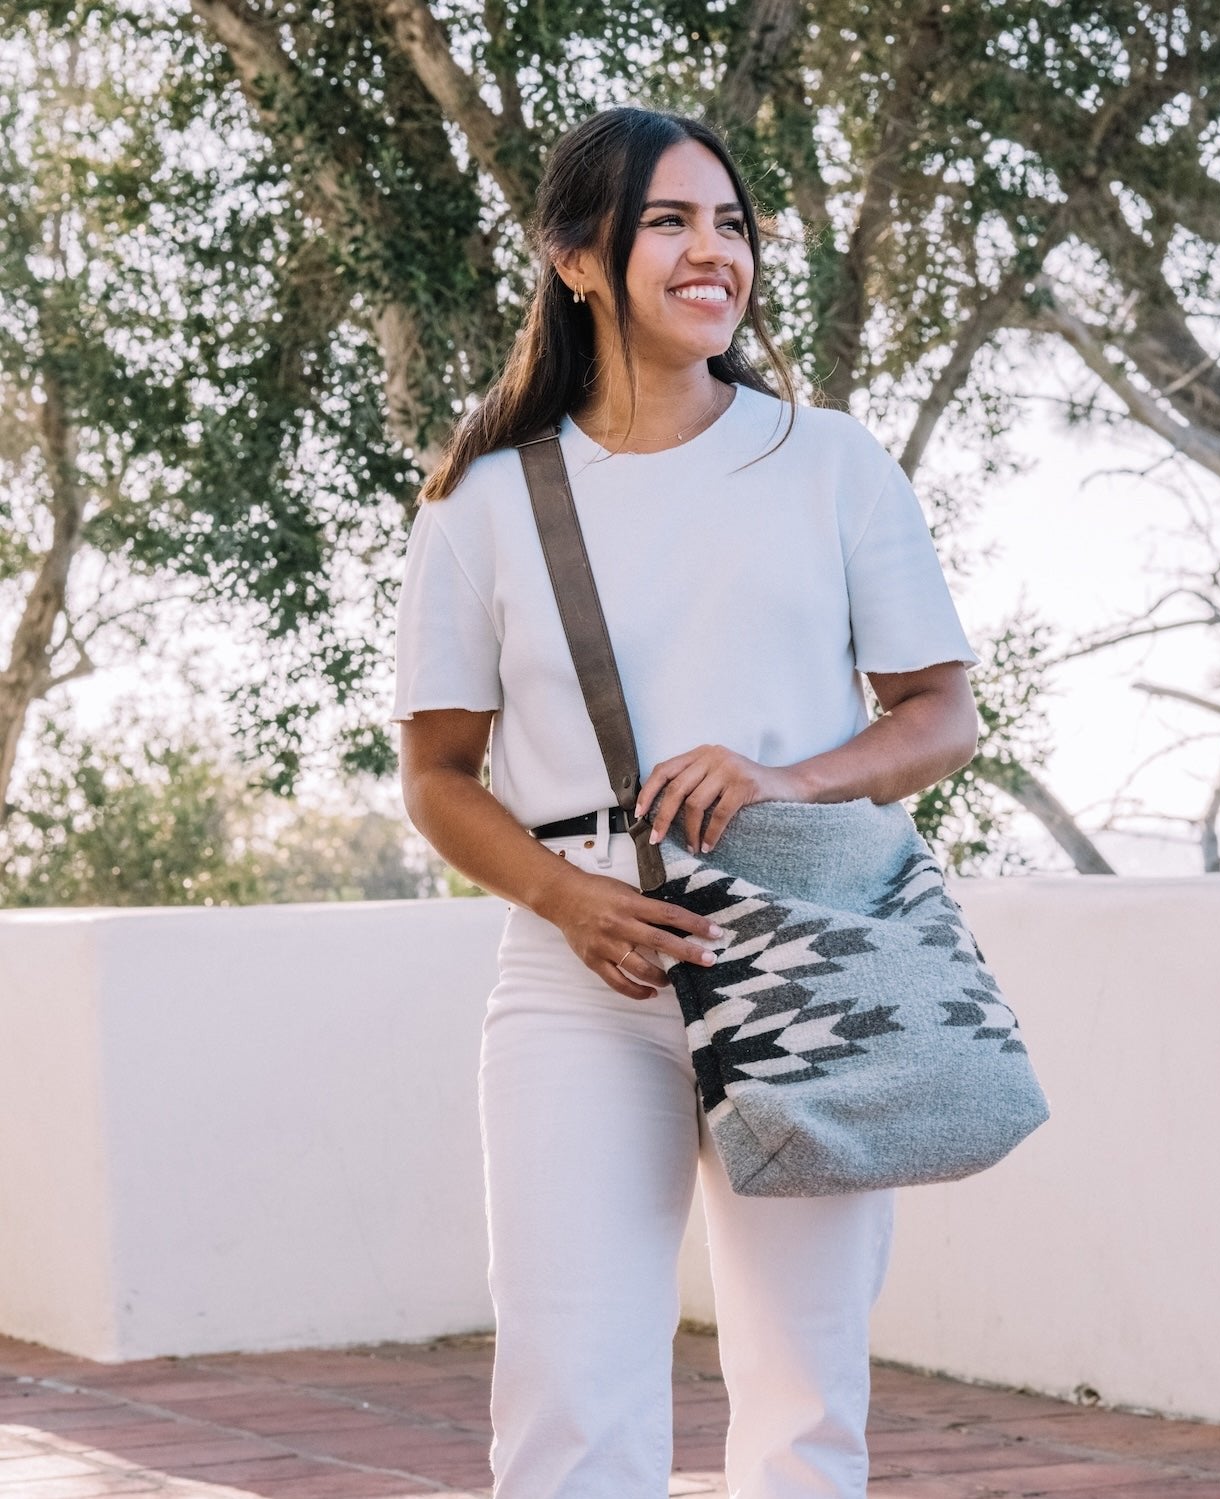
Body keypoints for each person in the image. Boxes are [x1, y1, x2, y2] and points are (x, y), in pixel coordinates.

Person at [392, 104, 980, 1499]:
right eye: (669, 221)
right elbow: (436, 772)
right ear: (576, 258)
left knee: (803, 1391)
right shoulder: (483, 499)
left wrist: (785, 775)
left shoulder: (828, 463)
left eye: (731, 224)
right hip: (575, 974)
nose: (713, 253)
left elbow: (940, 714)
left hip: (806, 945)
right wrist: (560, 894)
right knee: (568, 1390)